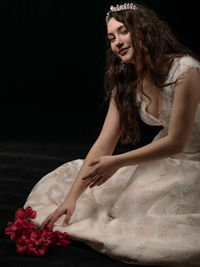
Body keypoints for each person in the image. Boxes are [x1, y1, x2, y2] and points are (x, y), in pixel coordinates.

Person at [24, 2, 200, 266]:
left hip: (190, 156)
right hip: (165, 154)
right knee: (114, 200)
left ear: (144, 31)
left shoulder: (185, 69)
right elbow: (103, 144)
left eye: (123, 31)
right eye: (111, 37)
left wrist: (117, 163)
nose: (117, 41)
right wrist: (72, 198)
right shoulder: (127, 81)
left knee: (148, 214)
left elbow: (176, 142)